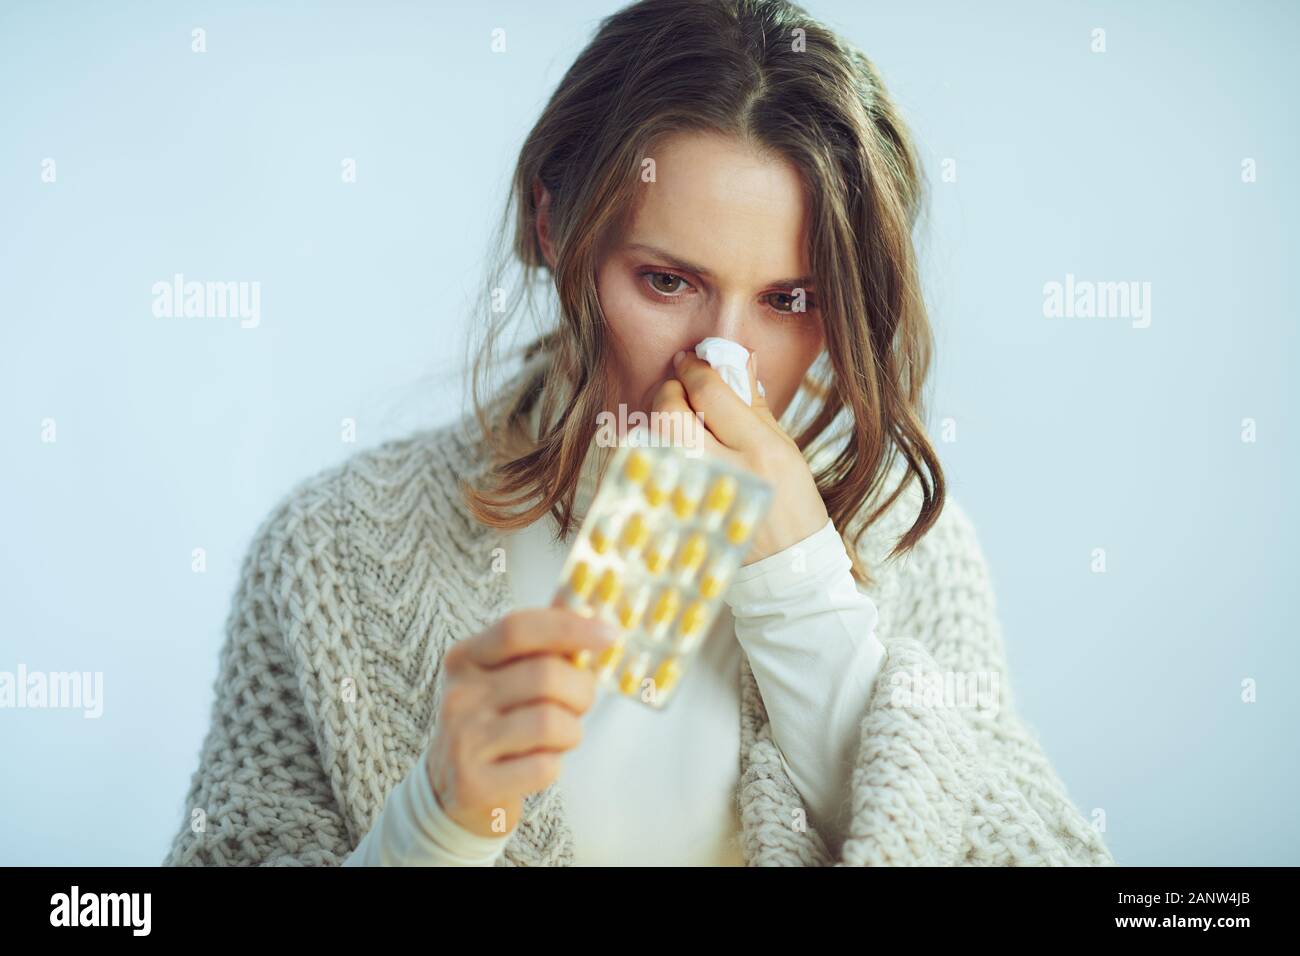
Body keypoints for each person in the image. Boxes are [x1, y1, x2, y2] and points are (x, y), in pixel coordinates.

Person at [162, 0, 1115, 866]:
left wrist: (805, 599)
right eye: (667, 281)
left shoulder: (905, 545)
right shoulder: (330, 552)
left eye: (790, 299)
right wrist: (434, 823)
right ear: (553, 221)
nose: (723, 362)